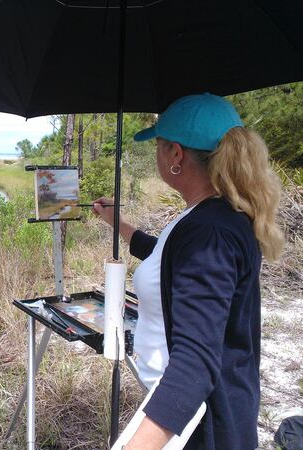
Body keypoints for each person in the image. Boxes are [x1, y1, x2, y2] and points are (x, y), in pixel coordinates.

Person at [93, 93, 284, 450]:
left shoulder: (209, 233)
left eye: (160, 146)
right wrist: (117, 223)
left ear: (176, 155)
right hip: (197, 413)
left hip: (202, 426)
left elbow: (194, 362)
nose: (158, 155)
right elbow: (167, 260)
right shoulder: (211, 215)